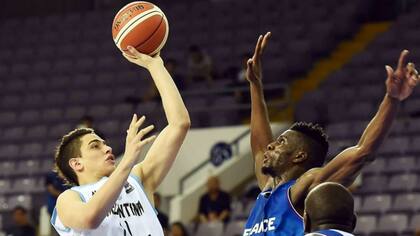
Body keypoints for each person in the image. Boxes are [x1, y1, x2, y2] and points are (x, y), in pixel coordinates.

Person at [243, 32, 419, 235]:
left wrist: (392, 99)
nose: (271, 145)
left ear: (299, 155)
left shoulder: (306, 186)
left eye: (281, 142)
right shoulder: (267, 190)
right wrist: (255, 84)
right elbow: (259, 147)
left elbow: (362, 153)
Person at [51, 46, 191, 236]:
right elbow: (89, 219)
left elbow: (179, 124)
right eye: (95, 146)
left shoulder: (137, 179)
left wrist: (155, 65)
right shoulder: (70, 198)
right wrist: (127, 161)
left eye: (104, 143)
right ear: (77, 163)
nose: (107, 148)